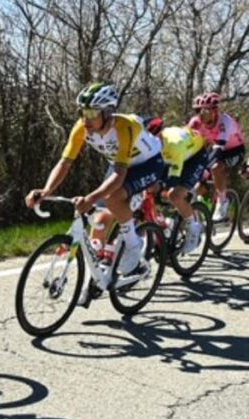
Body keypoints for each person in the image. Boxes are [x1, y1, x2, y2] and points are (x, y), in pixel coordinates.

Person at [25, 82, 165, 282]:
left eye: (91, 113)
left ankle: (134, 245)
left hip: (148, 163)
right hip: (119, 164)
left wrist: (90, 198)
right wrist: (45, 191)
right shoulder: (81, 127)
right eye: (82, 112)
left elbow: (119, 174)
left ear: (108, 112)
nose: (85, 119)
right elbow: (65, 163)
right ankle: (101, 271)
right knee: (99, 219)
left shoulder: (125, 126)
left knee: (114, 199)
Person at [145, 118, 209, 253]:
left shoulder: (174, 143)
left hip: (194, 158)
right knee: (148, 190)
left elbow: (173, 178)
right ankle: (164, 222)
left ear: (159, 136)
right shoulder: (149, 145)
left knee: (175, 195)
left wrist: (162, 186)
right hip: (171, 157)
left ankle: (193, 228)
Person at [187, 92, 245, 222]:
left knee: (216, 167)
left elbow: (219, 148)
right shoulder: (195, 122)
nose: (200, 114)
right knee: (197, 180)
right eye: (197, 110)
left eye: (204, 110)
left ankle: (223, 201)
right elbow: (186, 142)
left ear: (214, 111)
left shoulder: (225, 121)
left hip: (234, 150)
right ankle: (204, 210)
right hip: (215, 148)